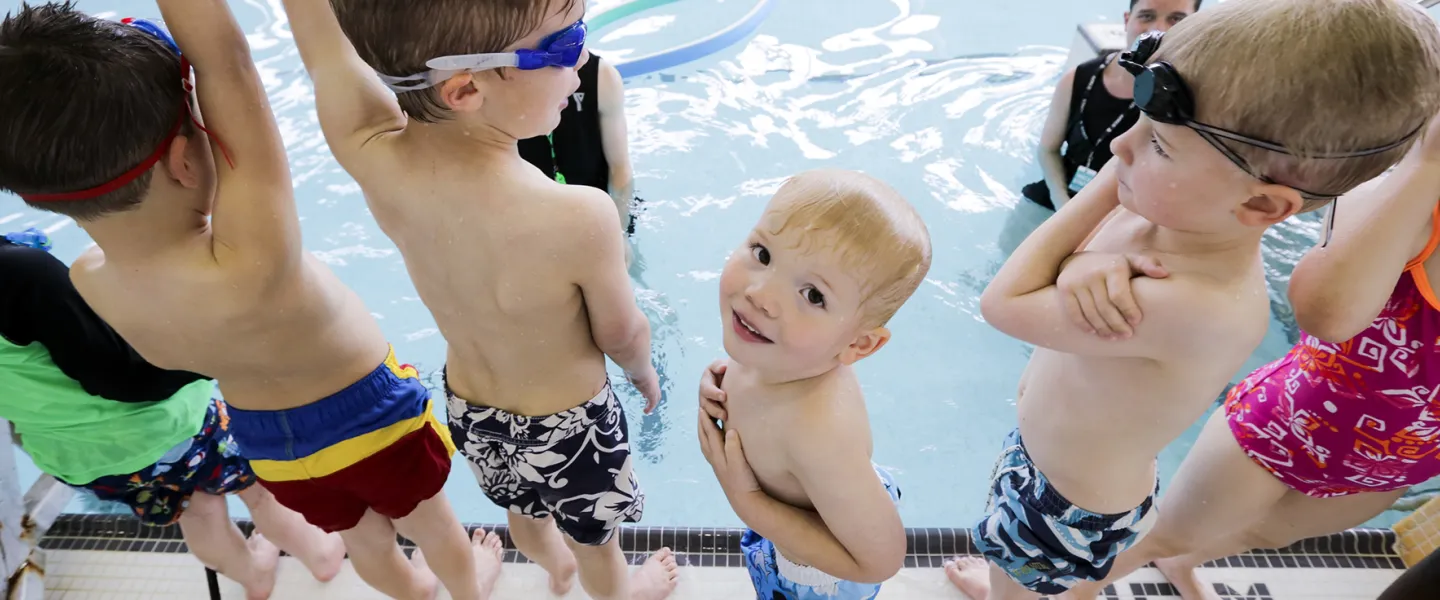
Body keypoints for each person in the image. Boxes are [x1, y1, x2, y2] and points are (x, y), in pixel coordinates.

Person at [0, 3, 503, 600]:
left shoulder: (90, 279)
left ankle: (413, 592)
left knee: (366, 540)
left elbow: (223, 69)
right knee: (434, 527)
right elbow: (227, 64)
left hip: (270, 448)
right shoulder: (252, 255)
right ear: (186, 160)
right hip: (371, 423)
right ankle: (470, 589)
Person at [944, 1, 1440, 598]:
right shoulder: (1164, 222)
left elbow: (1005, 303)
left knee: (1029, 593)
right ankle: (1007, 579)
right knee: (1011, 568)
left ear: (1262, 206)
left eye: (1160, 145)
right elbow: (1051, 278)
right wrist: (1086, 264)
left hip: (1068, 506)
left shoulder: (1204, 304)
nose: (1121, 147)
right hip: (1040, 458)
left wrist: (1100, 192)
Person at [283, 0, 679, 598]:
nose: (581, 68)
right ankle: (623, 588)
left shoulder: (370, 153)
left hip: (475, 413)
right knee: (598, 542)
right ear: (466, 88)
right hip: (570, 430)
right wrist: (643, 372)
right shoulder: (578, 215)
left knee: (524, 515)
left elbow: (324, 51)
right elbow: (621, 333)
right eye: (567, 44)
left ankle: (555, 570)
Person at [1053, 113, 1440, 599]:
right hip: (1288, 427)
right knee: (1164, 530)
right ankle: (1052, 591)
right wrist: (1428, 162)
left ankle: (1180, 562)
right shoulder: (1410, 208)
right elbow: (1326, 313)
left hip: (1396, 466)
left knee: (1269, 536)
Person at [0, 230, 344, 600]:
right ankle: (321, 555)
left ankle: (254, 577)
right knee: (259, 490)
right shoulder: (20, 271)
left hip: (81, 457)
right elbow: (121, 376)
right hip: (167, 424)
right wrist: (210, 360)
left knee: (197, 510)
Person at [695, 169, 931, 599]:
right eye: (763, 254)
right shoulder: (782, 351)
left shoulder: (817, 434)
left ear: (858, 344)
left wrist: (747, 500)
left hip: (822, 575)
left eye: (813, 295)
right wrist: (720, 379)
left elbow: (881, 560)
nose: (760, 295)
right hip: (817, 505)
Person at [1021, 0, 1200, 211]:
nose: (1158, 29)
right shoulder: (1077, 79)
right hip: (1056, 197)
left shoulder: (1188, 102)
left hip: (1122, 212)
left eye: (1176, 19)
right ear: (1127, 20)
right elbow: (1047, 150)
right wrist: (1062, 203)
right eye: (1147, 16)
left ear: (1192, 27)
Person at [518, 51, 638, 253]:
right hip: (533, 217)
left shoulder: (601, 76)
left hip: (599, 210)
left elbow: (620, 168)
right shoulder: (506, 88)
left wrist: (619, 234)